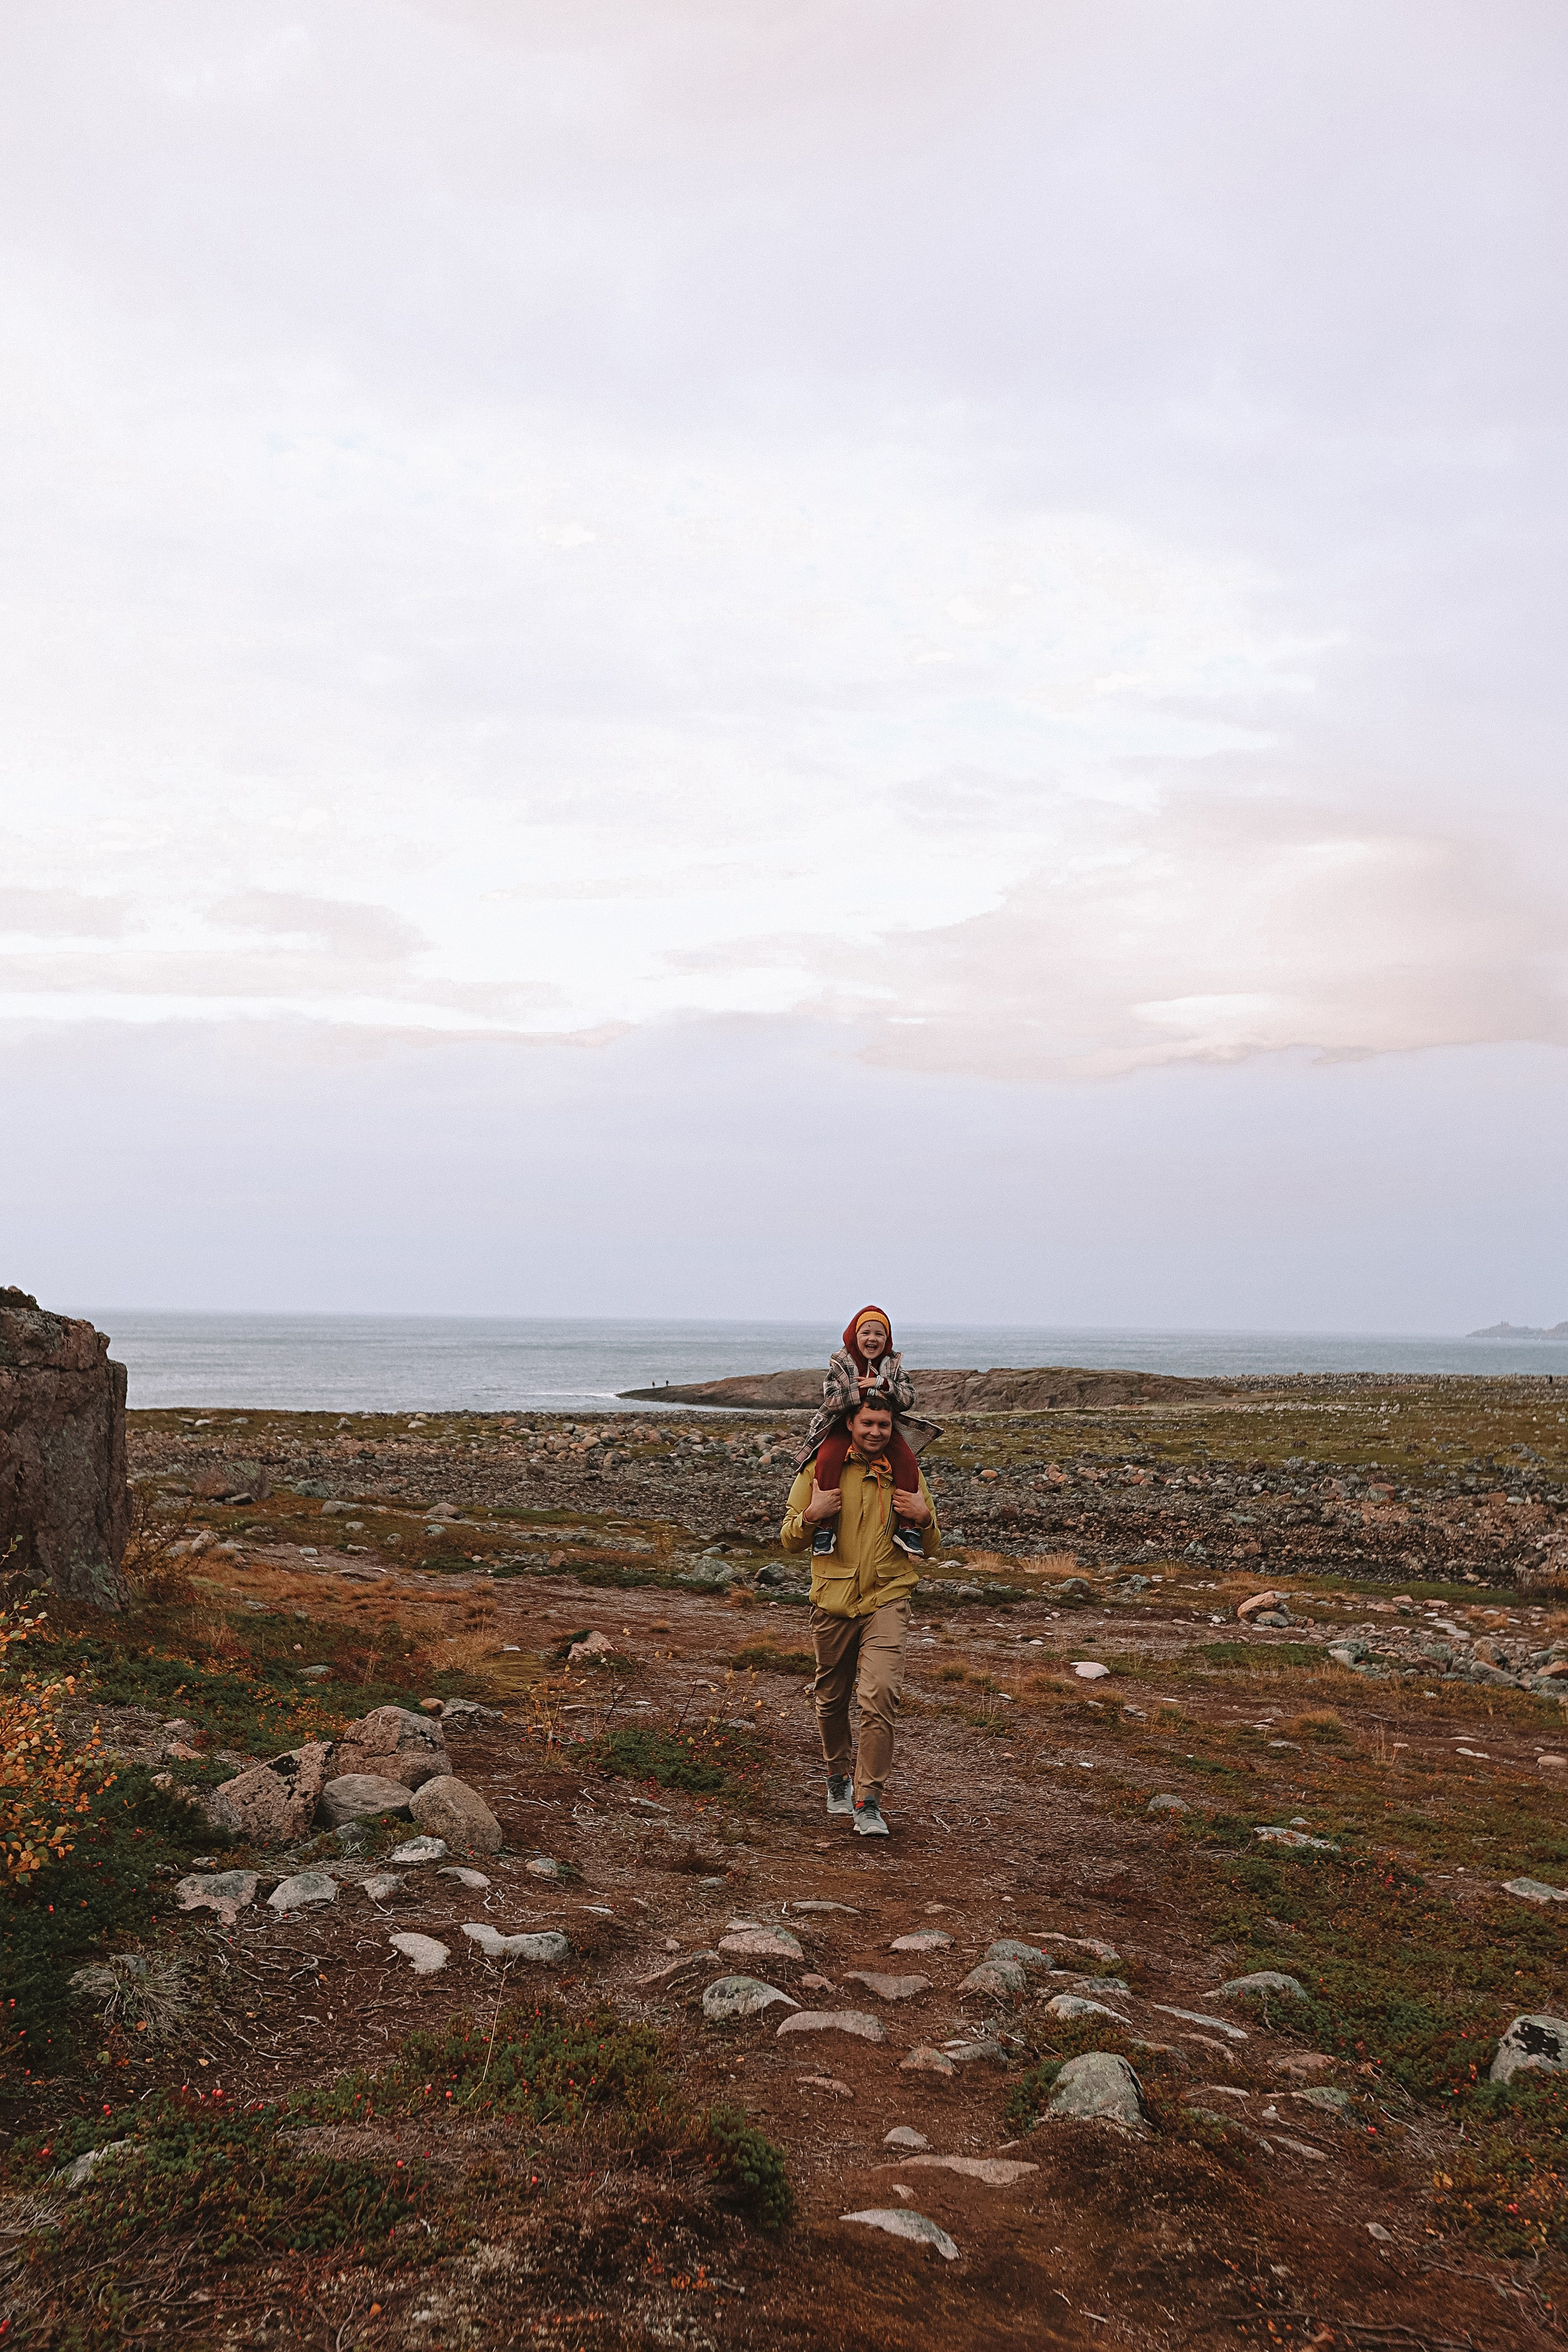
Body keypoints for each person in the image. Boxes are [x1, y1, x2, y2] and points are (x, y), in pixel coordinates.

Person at [780, 1390, 941, 1837]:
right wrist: (812, 1514)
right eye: (867, 1423)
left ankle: (868, 1800)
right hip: (832, 1602)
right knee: (831, 1699)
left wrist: (925, 1519)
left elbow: (933, 1545)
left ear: (894, 1429)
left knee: (880, 1694)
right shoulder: (820, 1469)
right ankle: (837, 1775)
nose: (875, 1432)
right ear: (850, 1423)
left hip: (887, 1598)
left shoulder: (906, 1473)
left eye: (884, 1426)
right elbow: (789, 1540)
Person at [795, 1306, 941, 1562]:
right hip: (841, 1425)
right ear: (854, 1335)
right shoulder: (841, 1363)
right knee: (827, 1460)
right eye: (866, 1332)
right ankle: (824, 1527)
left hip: (887, 1423)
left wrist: (882, 1384)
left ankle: (908, 1528)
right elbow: (831, 1400)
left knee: (907, 1462)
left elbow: (908, 1398)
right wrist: (862, 1392)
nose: (872, 1339)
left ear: (887, 1340)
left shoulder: (893, 1365)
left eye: (880, 1334)